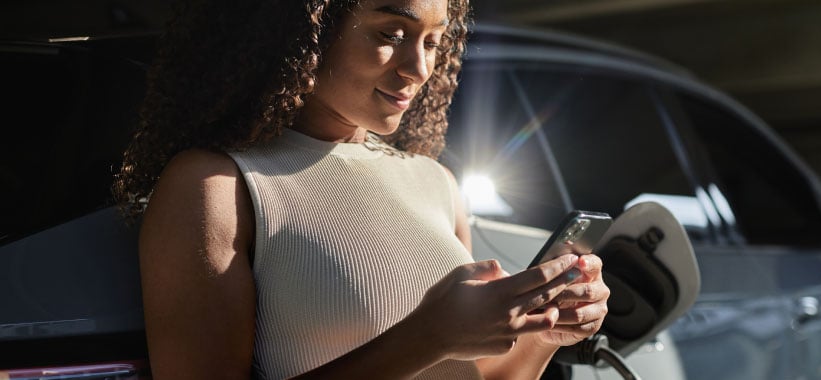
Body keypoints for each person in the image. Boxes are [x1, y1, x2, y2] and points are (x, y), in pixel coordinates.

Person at [112, 0, 610, 378]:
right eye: (392, 33)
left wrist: (548, 334)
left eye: (434, 41)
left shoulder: (435, 182)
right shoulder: (217, 186)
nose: (418, 68)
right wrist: (431, 335)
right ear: (307, 30)